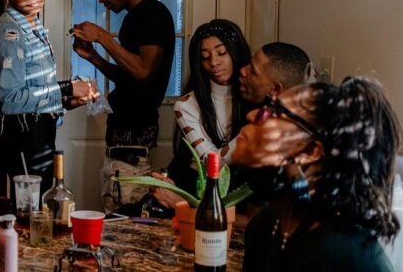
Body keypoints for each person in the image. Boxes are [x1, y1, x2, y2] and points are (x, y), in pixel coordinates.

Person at [233, 77, 399, 271]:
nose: (252, 115)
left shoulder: (346, 255)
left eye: (273, 112)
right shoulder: (266, 223)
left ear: (310, 151)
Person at [0, 0, 97, 196]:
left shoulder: (32, 26)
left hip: (40, 135)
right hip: (23, 141)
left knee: (42, 215)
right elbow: (9, 99)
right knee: (29, 217)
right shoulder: (9, 32)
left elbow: (35, 91)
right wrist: (67, 89)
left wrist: (68, 101)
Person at [153, 41, 313, 213]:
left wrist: (184, 204)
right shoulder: (235, 106)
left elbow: (257, 220)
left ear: (274, 89)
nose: (242, 70)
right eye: (205, 57)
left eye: (253, 70)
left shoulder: (279, 143)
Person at [71, 0, 175, 153]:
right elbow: (128, 77)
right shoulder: (132, 18)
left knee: (126, 184)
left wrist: (102, 36)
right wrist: (93, 57)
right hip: (121, 133)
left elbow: (144, 71)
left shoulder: (154, 13)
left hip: (137, 133)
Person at [167, 19, 252, 195]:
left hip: (244, 188)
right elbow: (211, 163)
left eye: (222, 53)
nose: (214, 63)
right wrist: (254, 129)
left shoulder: (255, 98)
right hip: (198, 186)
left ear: (236, 52)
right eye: (205, 57)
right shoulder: (186, 105)